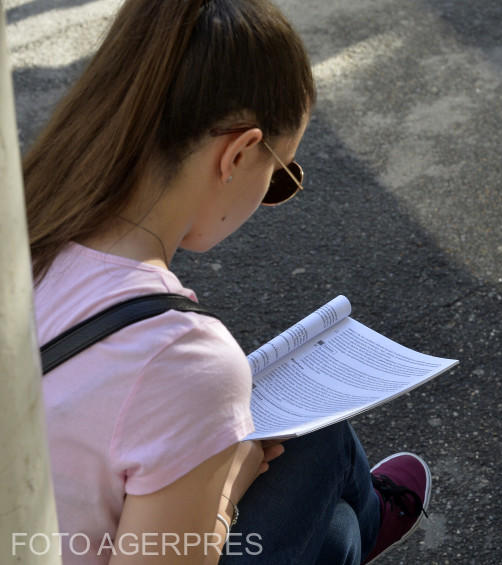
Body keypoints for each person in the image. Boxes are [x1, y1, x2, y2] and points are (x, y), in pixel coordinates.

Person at [23, 1, 431, 563]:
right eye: (280, 176)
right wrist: (229, 483)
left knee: (331, 496)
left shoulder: (22, 218)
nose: (271, 195)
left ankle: (361, 524)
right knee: (335, 532)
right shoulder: (179, 360)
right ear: (237, 153)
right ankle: (360, 528)